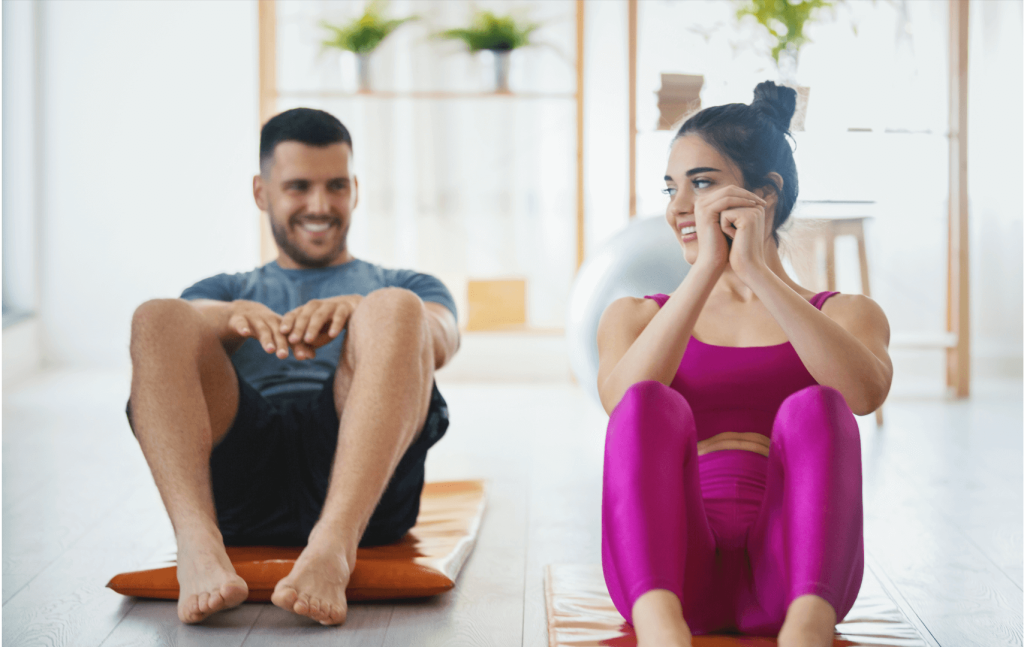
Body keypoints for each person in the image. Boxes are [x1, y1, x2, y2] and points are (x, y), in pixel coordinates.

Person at [126, 108, 460, 626]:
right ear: (261, 192)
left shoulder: (405, 283)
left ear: (355, 188)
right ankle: (197, 542)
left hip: (361, 489)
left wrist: (359, 309)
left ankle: (332, 547)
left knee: (395, 308)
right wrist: (231, 318)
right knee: (156, 317)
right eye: (299, 187)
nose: (321, 205)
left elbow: (442, 337)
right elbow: (173, 335)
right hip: (242, 479)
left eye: (337, 186)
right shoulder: (228, 289)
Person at [596, 82, 892, 647]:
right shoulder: (634, 316)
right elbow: (622, 406)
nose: (678, 207)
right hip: (671, 575)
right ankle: (663, 635)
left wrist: (755, 270)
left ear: (766, 195)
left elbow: (863, 395)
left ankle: (806, 632)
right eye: (670, 187)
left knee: (818, 403)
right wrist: (707, 269)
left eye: (701, 183)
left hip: (796, 575)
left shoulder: (847, 314)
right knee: (647, 400)